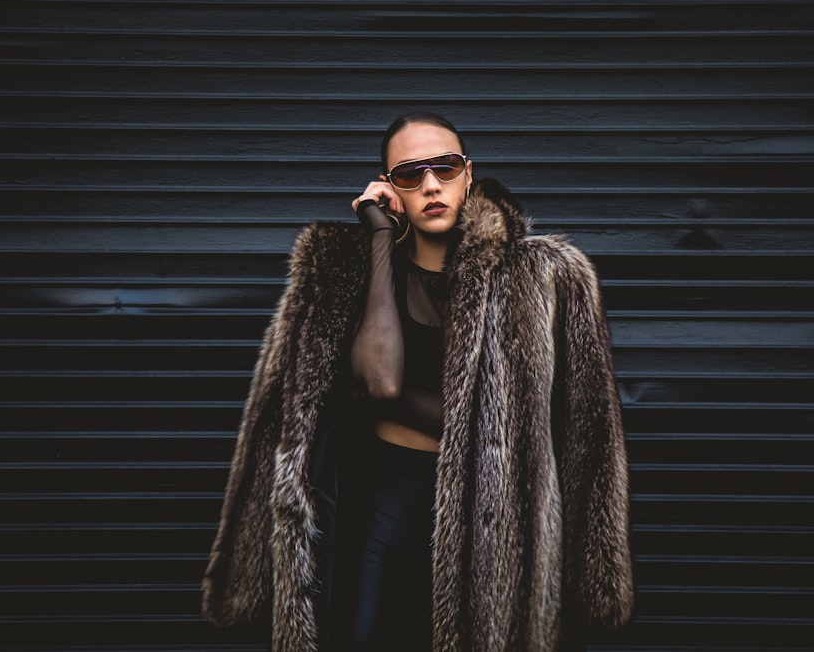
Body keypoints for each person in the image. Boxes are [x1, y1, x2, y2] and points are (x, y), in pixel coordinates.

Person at [201, 112, 634, 651]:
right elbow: (371, 384)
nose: (431, 184)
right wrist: (380, 240)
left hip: (495, 509)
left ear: (468, 176)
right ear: (388, 188)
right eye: (409, 174)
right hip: (383, 495)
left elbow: (591, 432)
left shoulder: (547, 276)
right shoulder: (341, 277)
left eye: (445, 167)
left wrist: (597, 575)